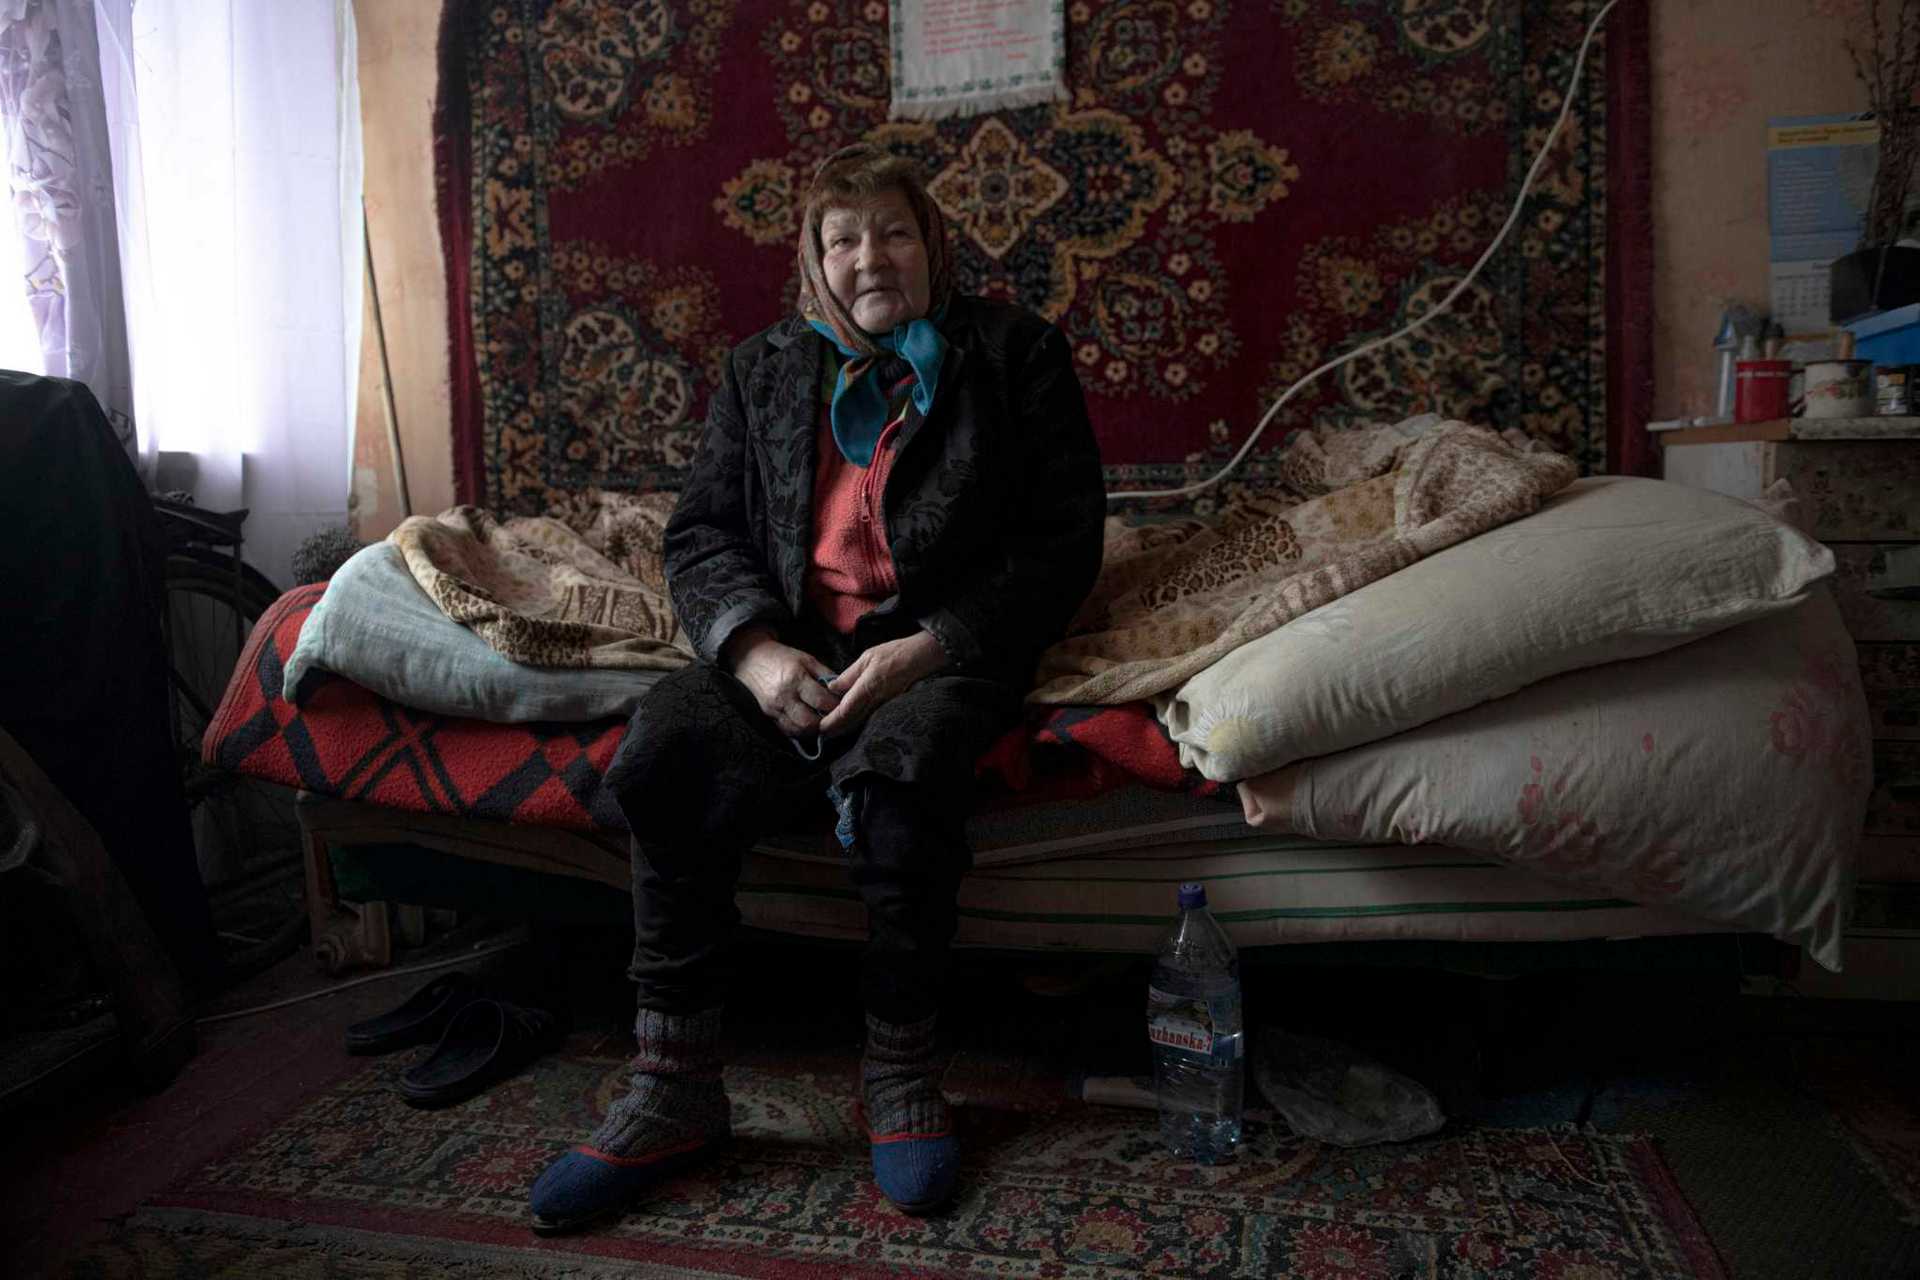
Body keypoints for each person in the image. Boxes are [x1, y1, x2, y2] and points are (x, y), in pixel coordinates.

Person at [528, 144, 1106, 1231]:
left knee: (901, 777)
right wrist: (751, 651)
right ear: (814, 259)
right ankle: (674, 1084)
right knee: (665, 748)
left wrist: (931, 646)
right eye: (843, 239)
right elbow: (701, 532)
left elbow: (1062, 541)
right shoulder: (763, 369)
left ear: (933, 245)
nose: (869, 257)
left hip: (934, 650)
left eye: (892, 232)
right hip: (788, 644)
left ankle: (901, 1071)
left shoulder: (1015, 355)